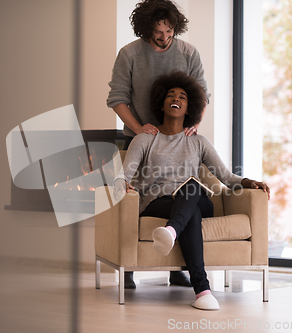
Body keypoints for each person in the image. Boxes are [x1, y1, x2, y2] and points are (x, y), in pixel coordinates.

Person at [114, 71, 270, 310]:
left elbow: (226, 177)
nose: (176, 98)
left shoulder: (198, 142)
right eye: (170, 95)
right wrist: (122, 183)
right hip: (159, 202)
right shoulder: (145, 139)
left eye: (183, 96)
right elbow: (125, 173)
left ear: (189, 108)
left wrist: (250, 182)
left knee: (191, 187)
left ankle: (172, 230)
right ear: (162, 103)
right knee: (191, 214)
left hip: (194, 197)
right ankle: (202, 290)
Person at [107, 0, 209, 289]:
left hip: (178, 140)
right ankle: (128, 269)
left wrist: (193, 125)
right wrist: (141, 130)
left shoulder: (189, 53)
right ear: (145, 29)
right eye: (158, 33)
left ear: (176, 26)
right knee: (135, 200)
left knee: (183, 194)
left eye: (169, 31)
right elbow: (117, 98)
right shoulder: (130, 54)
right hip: (141, 140)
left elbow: (202, 93)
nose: (164, 38)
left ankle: (177, 268)